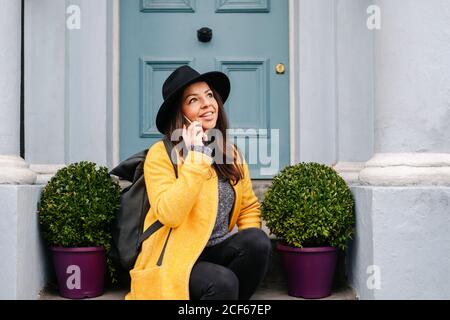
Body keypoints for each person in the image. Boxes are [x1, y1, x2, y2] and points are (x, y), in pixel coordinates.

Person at [125, 65, 272, 300]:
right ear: (180, 113)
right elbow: (169, 214)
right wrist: (195, 157)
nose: (207, 104)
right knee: (223, 283)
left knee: (258, 241)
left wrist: (249, 260)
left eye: (209, 95)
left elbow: (248, 208)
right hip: (176, 257)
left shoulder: (230, 153)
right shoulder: (161, 154)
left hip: (218, 251)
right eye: (194, 100)